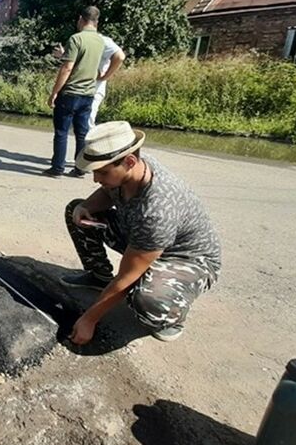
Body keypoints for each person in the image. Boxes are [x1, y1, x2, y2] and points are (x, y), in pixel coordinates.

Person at [63, 121, 222, 344]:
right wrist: (86, 206)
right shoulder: (130, 172)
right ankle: (98, 277)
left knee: (147, 300)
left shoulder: (157, 210)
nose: (96, 178)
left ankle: (172, 316)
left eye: (102, 172)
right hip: (141, 235)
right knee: (77, 211)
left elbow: (128, 275)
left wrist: (89, 319)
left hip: (188, 260)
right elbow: (108, 192)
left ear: (129, 161)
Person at [44, 6, 105, 178]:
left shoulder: (76, 39)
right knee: (82, 133)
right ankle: (80, 168)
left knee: (62, 132)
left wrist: (54, 92)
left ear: (81, 19)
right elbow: (89, 64)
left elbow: (67, 68)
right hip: (88, 94)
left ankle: (57, 168)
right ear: (97, 21)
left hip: (70, 93)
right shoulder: (100, 41)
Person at [90, 36, 126, 129]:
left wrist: (105, 76)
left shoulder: (102, 40)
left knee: (87, 122)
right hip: (82, 89)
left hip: (95, 88)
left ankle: (97, 143)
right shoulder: (82, 39)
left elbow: (120, 56)